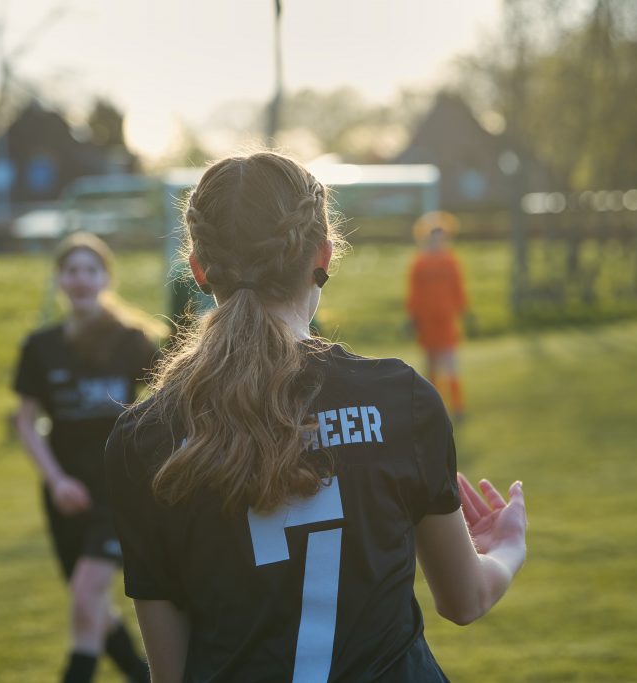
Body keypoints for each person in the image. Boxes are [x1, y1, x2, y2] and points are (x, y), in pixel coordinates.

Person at [104, 152, 527, 683]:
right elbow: (465, 600)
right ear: (323, 255)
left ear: (198, 269)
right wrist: (506, 548)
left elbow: (171, 675)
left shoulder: (145, 436)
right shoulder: (400, 400)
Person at [14, 231, 161, 682]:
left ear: (106, 278)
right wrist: (56, 480)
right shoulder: (40, 347)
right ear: (59, 279)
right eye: (71, 270)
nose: (80, 278)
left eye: (90, 270)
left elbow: (168, 404)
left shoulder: (132, 340)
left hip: (119, 490)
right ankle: (140, 675)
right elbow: (25, 421)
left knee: (85, 594)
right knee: (92, 601)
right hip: (65, 493)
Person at [406, 212, 471, 419]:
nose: (437, 240)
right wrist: (412, 317)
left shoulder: (451, 261)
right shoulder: (419, 263)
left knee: (450, 363)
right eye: (433, 235)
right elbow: (414, 294)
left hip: (446, 319)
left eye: (440, 235)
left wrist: (464, 311)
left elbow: (458, 289)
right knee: (431, 364)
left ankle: (458, 406)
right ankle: (434, 407)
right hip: (427, 320)